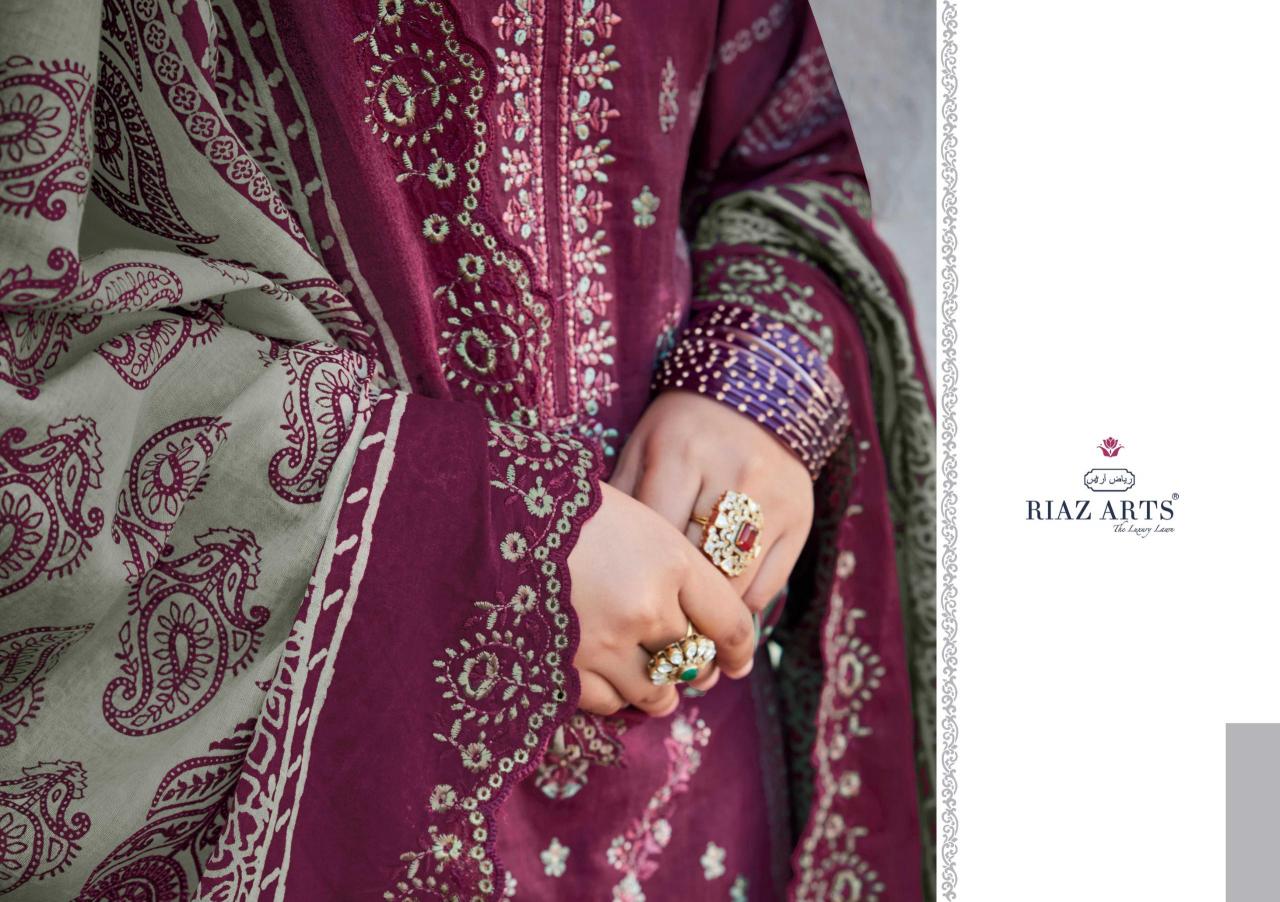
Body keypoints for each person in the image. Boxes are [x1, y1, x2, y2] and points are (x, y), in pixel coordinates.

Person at [0, 0, 935, 898]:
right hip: (337, 784)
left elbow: (792, 147)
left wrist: (752, 384)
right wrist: (479, 540)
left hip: (708, 786)